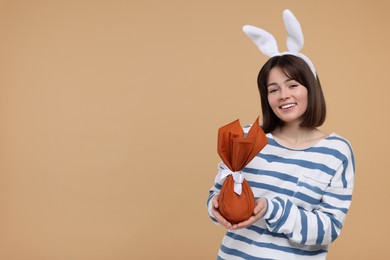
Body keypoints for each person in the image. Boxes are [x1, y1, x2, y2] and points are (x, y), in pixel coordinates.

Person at [206, 10, 355, 260]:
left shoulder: (336, 151)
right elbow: (216, 192)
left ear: (311, 88)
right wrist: (215, 206)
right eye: (273, 89)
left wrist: (273, 210)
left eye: (293, 85)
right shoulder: (247, 138)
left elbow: (329, 229)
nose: (283, 95)